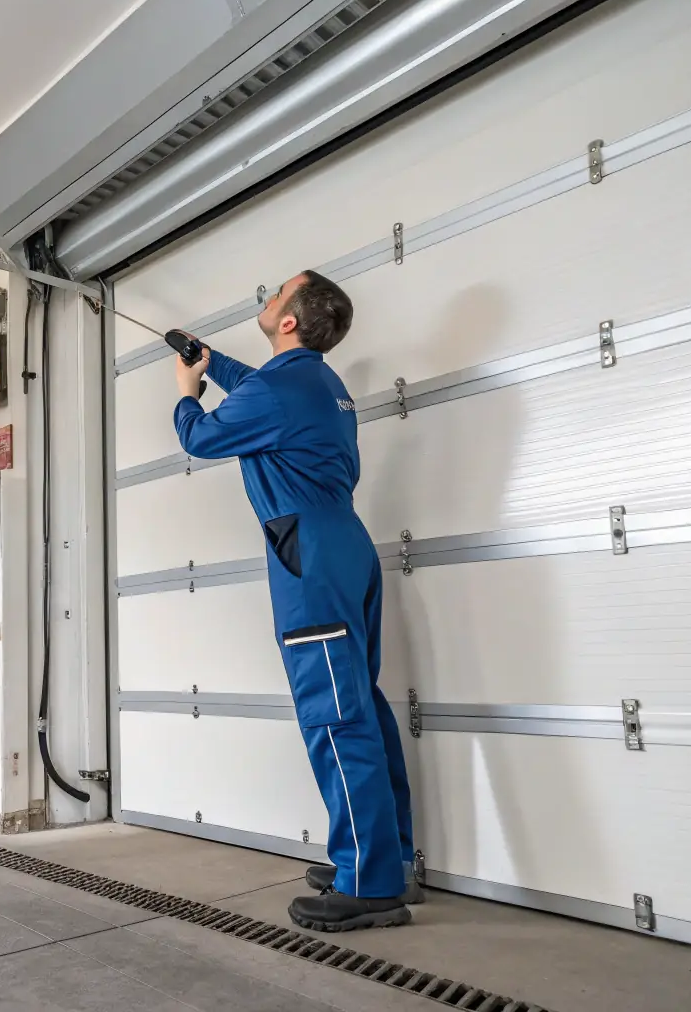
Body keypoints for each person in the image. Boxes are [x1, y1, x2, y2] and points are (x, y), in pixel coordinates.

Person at [172, 270, 421, 932]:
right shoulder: (318, 384)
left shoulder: (277, 390)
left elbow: (199, 437)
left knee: (334, 715)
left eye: (274, 293)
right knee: (360, 705)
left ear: (287, 320)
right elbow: (258, 389)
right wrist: (213, 361)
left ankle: (368, 883)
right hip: (346, 548)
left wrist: (187, 390)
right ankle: (389, 860)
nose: (265, 298)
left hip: (308, 559)